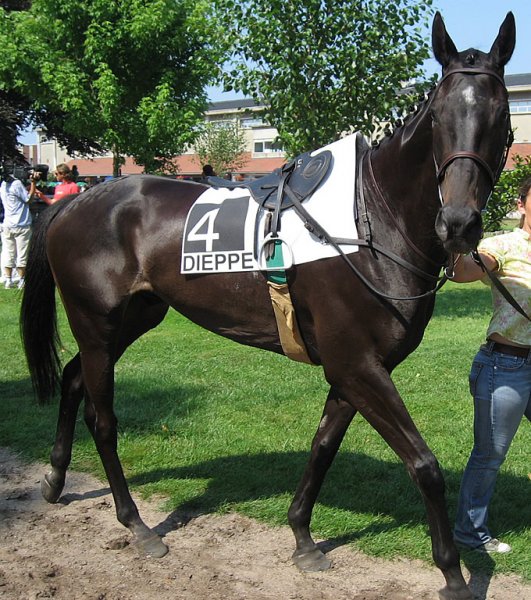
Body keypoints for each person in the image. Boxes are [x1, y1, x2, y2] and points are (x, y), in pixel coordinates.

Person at [452, 177, 531, 554]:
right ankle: (469, 532)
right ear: (521, 205)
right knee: (490, 454)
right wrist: (459, 247)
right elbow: (464, 271)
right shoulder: (504, 244)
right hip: (506, 367)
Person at [0, 163, 33, 289]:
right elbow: (28, 199)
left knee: (9, 253)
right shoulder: (17, 184)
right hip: (21, 224)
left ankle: (8, 280)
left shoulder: (3, 185)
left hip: (8, 224)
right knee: (22, 253)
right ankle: (21, 280)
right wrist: (33, 184)